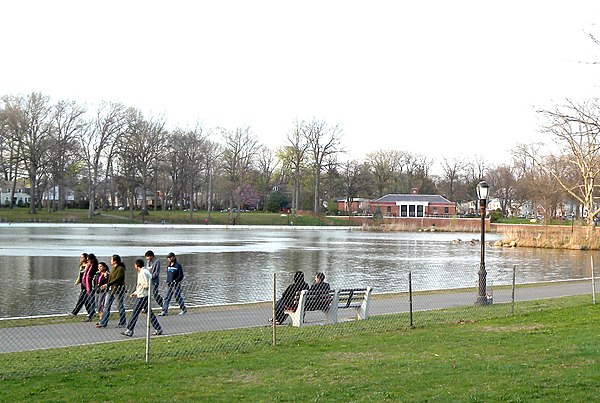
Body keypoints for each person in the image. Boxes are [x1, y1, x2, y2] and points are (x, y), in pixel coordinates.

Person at [121, 259, 163, 337]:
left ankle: (129, 330)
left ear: (137, 265)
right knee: (149, 313)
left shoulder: (142, 273)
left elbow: (145, 285)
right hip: (144, 295)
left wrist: (139, 291)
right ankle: (158, 328)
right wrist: (135, 293)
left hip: (142, 296)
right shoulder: (146, 271)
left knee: (135, 312)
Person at [96, 254, 127, 328]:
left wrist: (107, 284)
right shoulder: (113, 268)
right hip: (111, 290)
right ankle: (103, 322)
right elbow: (111, 278)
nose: (110, 261)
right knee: (106, 306)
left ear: (115, 261)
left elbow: (117, 279)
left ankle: (122, 322)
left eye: (111, 259)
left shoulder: (120, 269)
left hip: (118, 290)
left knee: (120, 306)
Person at [81, 253, 99, 322]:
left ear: (92, 259)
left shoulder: (94, 267)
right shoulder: (89, 266)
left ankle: (91, 315)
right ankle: (91, 313)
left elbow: (95, 276)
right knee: (88, 301)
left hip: (91, 286)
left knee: (91, 301)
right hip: (87, 286)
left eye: (88, 259)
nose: (87, 260)